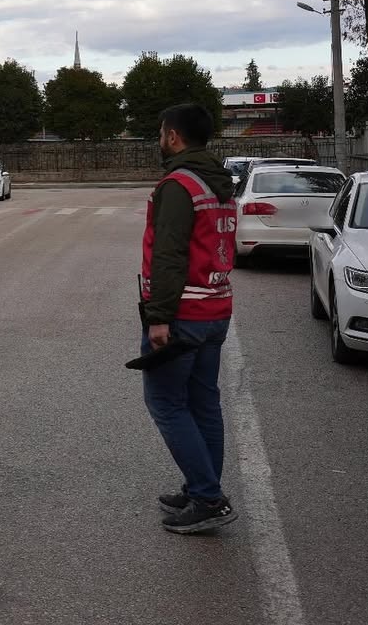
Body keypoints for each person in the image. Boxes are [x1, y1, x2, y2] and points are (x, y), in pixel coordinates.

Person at [140, 103, 239, 535]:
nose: (160, 138)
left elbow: (169, 254)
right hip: (216, 308)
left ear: (174, 136)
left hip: (184, 314)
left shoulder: (178, 184)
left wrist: (158, 318)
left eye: (162, 131)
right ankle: (204, 487)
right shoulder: (218, 181)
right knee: (203, 403)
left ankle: (207, 497)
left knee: (165, 402)